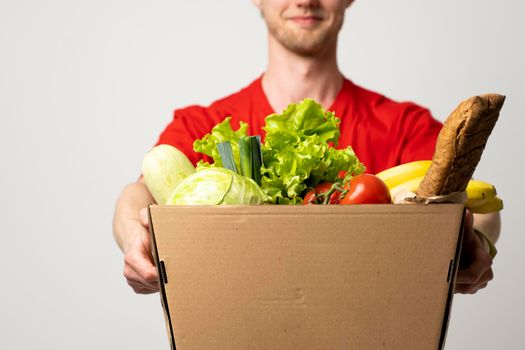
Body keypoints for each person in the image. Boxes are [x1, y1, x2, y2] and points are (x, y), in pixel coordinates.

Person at [113, 0, 500, 295]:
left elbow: (477, 203)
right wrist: (135, 239)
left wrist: (476, 241)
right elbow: (139, 193)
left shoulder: (403, 126)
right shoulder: (206, 126)